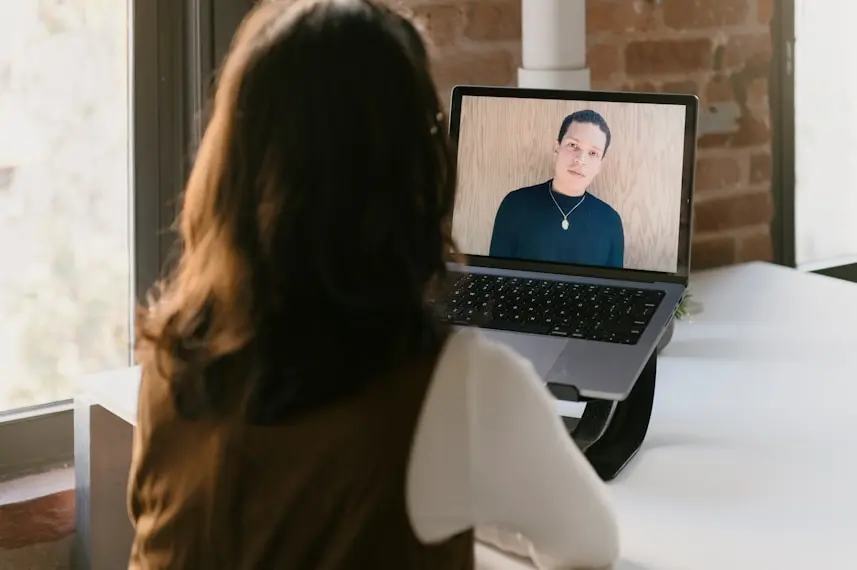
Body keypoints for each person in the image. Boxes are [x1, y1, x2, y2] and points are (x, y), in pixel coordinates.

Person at [128, 1, 619, 569]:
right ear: (415, 169)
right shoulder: (461, 385)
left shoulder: (170, 365)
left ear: (231, 163)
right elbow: (589, 549)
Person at [489, 110, 625, 269]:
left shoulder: (610, 221)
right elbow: (495, 275)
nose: (580, 160)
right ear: (556, 148)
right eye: (573, 145)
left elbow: (612, 288)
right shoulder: (515, 204)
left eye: (593, 153)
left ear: (600, 165)